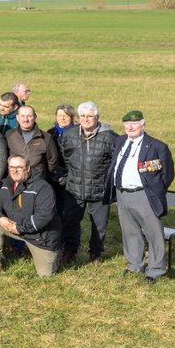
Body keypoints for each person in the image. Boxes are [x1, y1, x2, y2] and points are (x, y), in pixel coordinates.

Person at [108, 110, 174, 283]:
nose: (130, 127)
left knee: (154, 233)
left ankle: (156, 270)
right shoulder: (120, 140)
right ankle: (134, 265)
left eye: (135, 124)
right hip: (122, 194)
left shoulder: (157, 146)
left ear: (143, 124)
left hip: (144, 195)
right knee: (129, 231)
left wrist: (153, 190)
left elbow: (167, 174)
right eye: (127, 124)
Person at [57, 101, 117, 264]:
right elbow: (65, 157)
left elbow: (114, 163)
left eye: (90, 116)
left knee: (99, 226)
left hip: (99, 189)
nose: (86, 119)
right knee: (70, 222)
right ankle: (69, 251)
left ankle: (95, 254)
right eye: (83, 116)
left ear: (97, 117)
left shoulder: (110, 137)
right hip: (74, 188)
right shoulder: (69, 135)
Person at [0, 155, 62, 277]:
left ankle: (56, 255)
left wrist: (19, 228)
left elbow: (44, 216)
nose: (14, 171)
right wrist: (1, 218)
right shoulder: (6, 184)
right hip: (15, 227)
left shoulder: (42, 187)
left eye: (19, 167)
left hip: (40, 237)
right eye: (11, 167)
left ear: (28, 168)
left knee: (45, 275)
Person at [5, 105, 61, 183]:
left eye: (29, 116)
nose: (25, 119)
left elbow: (52, 161)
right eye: (22, 116)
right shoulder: (9, 135)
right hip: (14, 180)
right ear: (17, 118)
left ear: (34, 117)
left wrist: (39, 173)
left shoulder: (46, 138)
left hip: (36, 181)